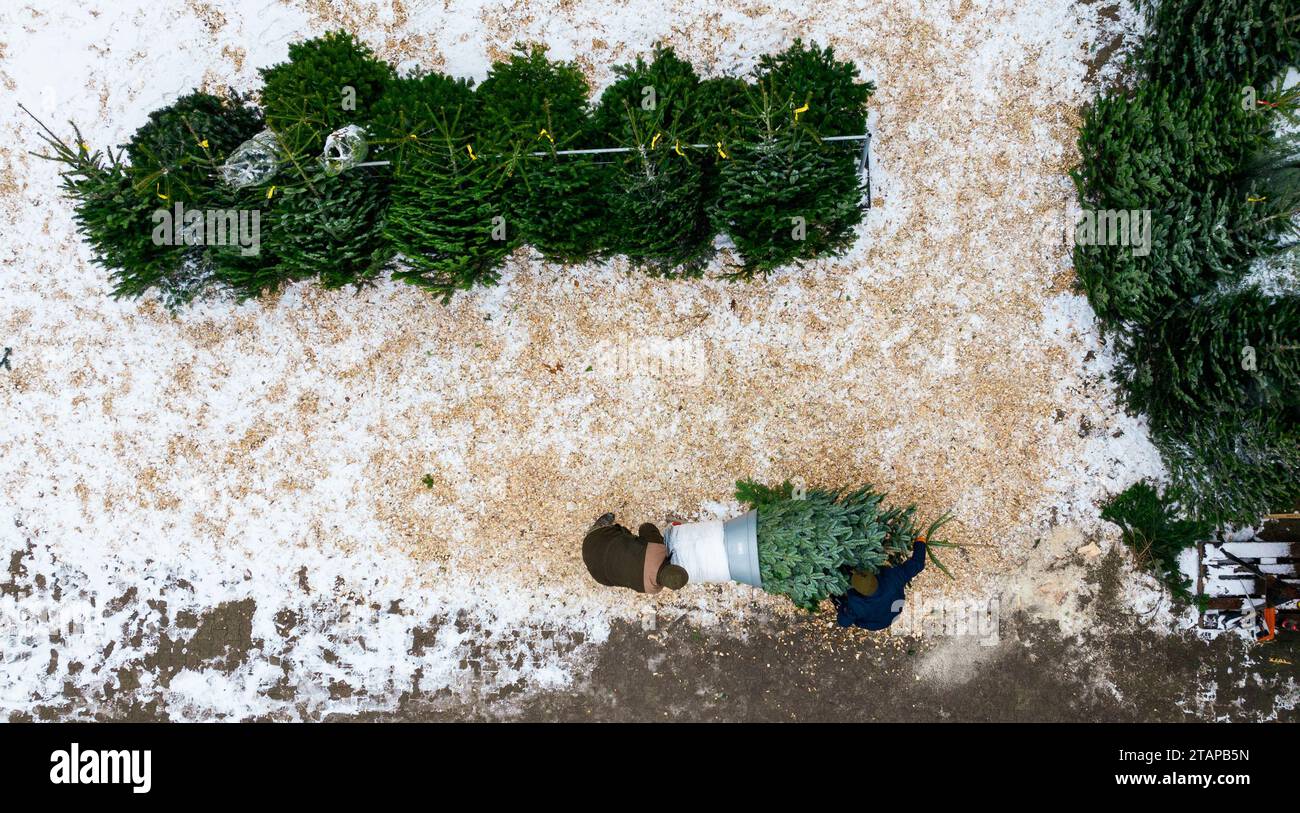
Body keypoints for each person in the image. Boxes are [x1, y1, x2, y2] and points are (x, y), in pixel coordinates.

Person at [582, 513, 689, 594]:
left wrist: (659, 540)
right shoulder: (652, 589)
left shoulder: (658, 550)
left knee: (625, 536)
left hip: (594, 540)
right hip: (599, 575)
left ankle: (599, 526)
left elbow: (646, 527)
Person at [831, 539, 926, 630]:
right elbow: (917, 564)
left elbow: (843, 622)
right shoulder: (893, 578)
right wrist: (920, 542)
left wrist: (843, 608)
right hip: (893, 612)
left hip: (875, 624)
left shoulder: (856, 605)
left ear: (856, 590)